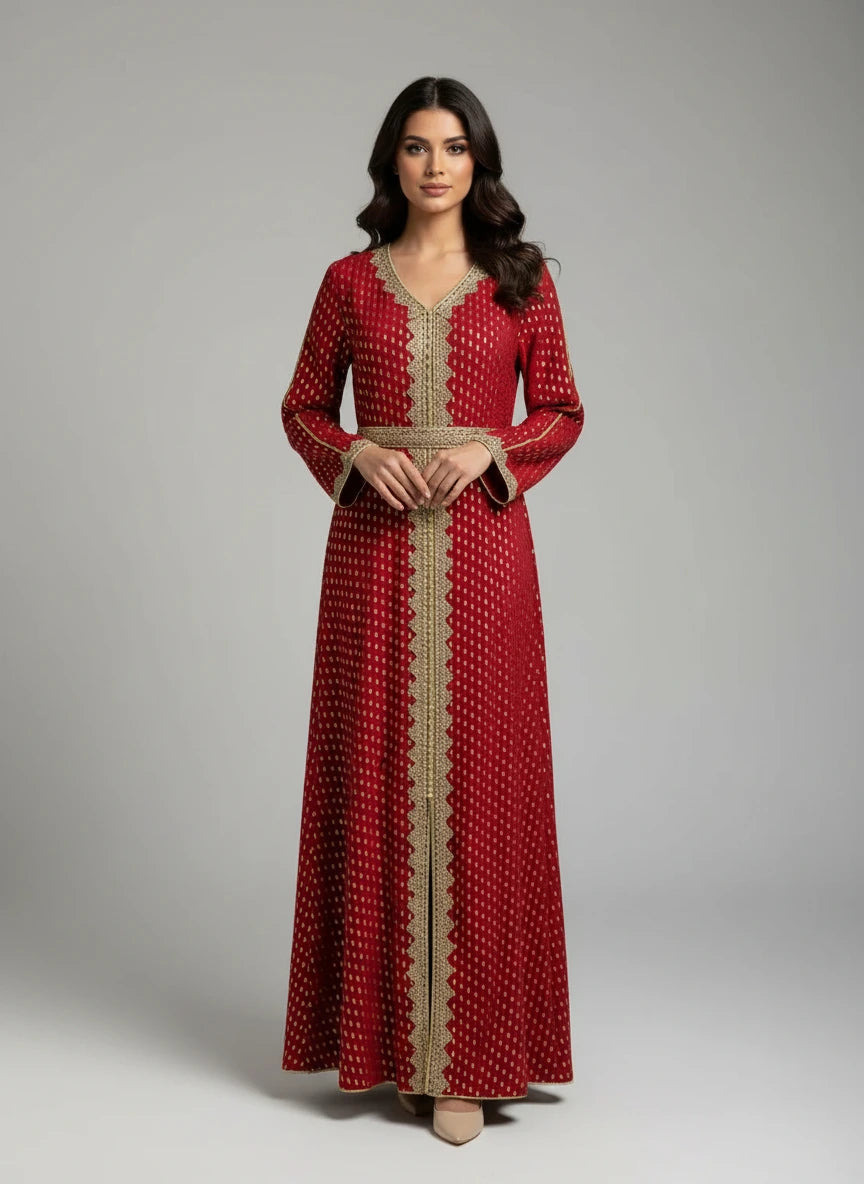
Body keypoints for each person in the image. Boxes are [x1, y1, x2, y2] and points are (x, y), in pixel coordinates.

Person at [279, 76, 585, 1146]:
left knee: (480, 784)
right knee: (377, 770)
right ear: (392, 162)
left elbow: (562, 407)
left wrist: (490, 447)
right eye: (417, 146)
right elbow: (303, 405)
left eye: (456, 146)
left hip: (486, 549)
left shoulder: (521, 281)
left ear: (478, 161)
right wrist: (357, 450)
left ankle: (469, 1056)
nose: (437, 165)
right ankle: (386, 1043)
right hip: (371, 546)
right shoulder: (347, 284)